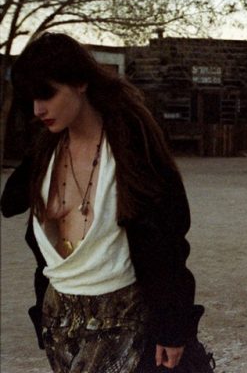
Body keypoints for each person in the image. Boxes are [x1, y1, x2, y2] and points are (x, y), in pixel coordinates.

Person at [1, 33, 207, 372]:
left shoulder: (133, 149)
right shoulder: (44, 151)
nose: (38, 109)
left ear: (80, 82)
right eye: (32, 99)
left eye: (47, 94)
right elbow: (10, 204)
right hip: (59, 327)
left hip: (123, 323)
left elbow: (168, 245)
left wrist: (173, 327)